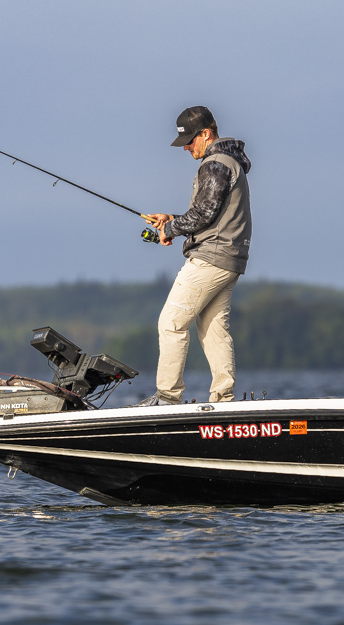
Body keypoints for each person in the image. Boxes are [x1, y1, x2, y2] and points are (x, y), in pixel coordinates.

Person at [136, 105, 252, 406]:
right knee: (213, 329)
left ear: (206, 133)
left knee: (171, 322)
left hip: (211, 258)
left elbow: (203, 213)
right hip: (230, 258)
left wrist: (170, 228)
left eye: (189, 141)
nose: (186, 147)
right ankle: (223, 398)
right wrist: (173, 219)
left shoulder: (215, 164)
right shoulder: (229, 162)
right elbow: (211, 213)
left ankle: (167, 397)